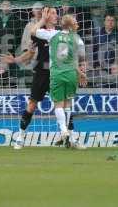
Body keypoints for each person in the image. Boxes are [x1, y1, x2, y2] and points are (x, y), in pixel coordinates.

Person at [32, 9, 87, 146]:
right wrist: (81, 73)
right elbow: (79, 60)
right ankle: (69, 136)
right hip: (71, 74)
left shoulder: (53, 34)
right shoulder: (77, 39)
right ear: (71, 26)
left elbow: (33, 31)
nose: (78, 24)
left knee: (58, 104)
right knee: (68, 104)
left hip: (56, 73)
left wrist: (43, 20)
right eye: (75, 22)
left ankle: (63, 131)